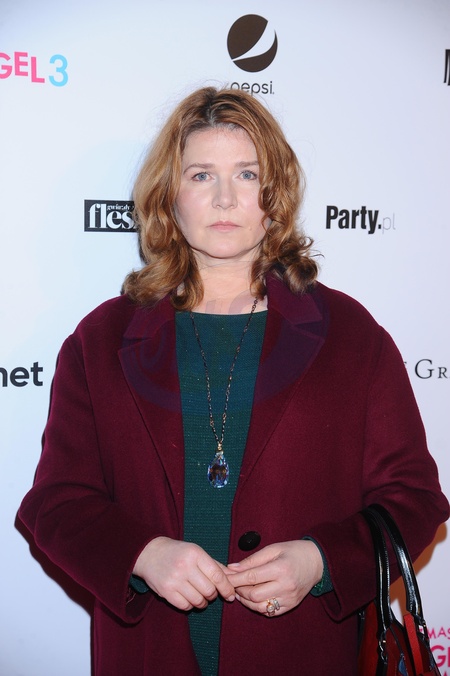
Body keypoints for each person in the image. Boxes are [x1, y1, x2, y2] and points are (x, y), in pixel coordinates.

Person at [18, 86, 449, 675]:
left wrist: (321, 562)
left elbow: (415, 500)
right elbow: (55, 503)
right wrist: (141, 555)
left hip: (302, 655)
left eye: (247, 174)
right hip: (148, 657)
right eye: (201, 175)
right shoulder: (101, 340)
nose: (225, 197)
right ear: (169, 196)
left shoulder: (351, 335)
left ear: (275, 193)